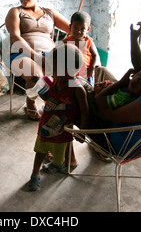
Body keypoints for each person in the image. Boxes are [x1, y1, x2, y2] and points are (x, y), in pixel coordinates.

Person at [5, 0, 71, 120]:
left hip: (49, 54)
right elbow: (16, 37)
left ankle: (56, 104)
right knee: (39, 78)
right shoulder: (16, 12)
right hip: (21, 55)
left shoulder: (49, 13)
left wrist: (65, 44)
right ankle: (31, 102)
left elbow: (73, 29)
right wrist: (37, 56)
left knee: (67, 77)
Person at [28, 44, 89, 191]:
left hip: (63, 130)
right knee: (40, 150)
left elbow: (84, 111)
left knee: (58, 152)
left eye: (55, 69)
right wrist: (37, 85)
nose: (51, 72)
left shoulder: (77, 89)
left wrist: (82, 131)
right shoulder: (55, 83)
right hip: (45, 126)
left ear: (70, 70)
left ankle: (58, 164)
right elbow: (48, 98)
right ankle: (35, 173)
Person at [64, 11, 99, 85]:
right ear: (70, 27)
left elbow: (95, 55)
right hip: (71, 76)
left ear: (88, 29)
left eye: (82, 29)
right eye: (75, 28)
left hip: (86, 75)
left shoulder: (88, 42)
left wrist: (92, 67)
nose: (78, 32)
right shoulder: (67, 41)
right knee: (73, 93)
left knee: (88, 93)